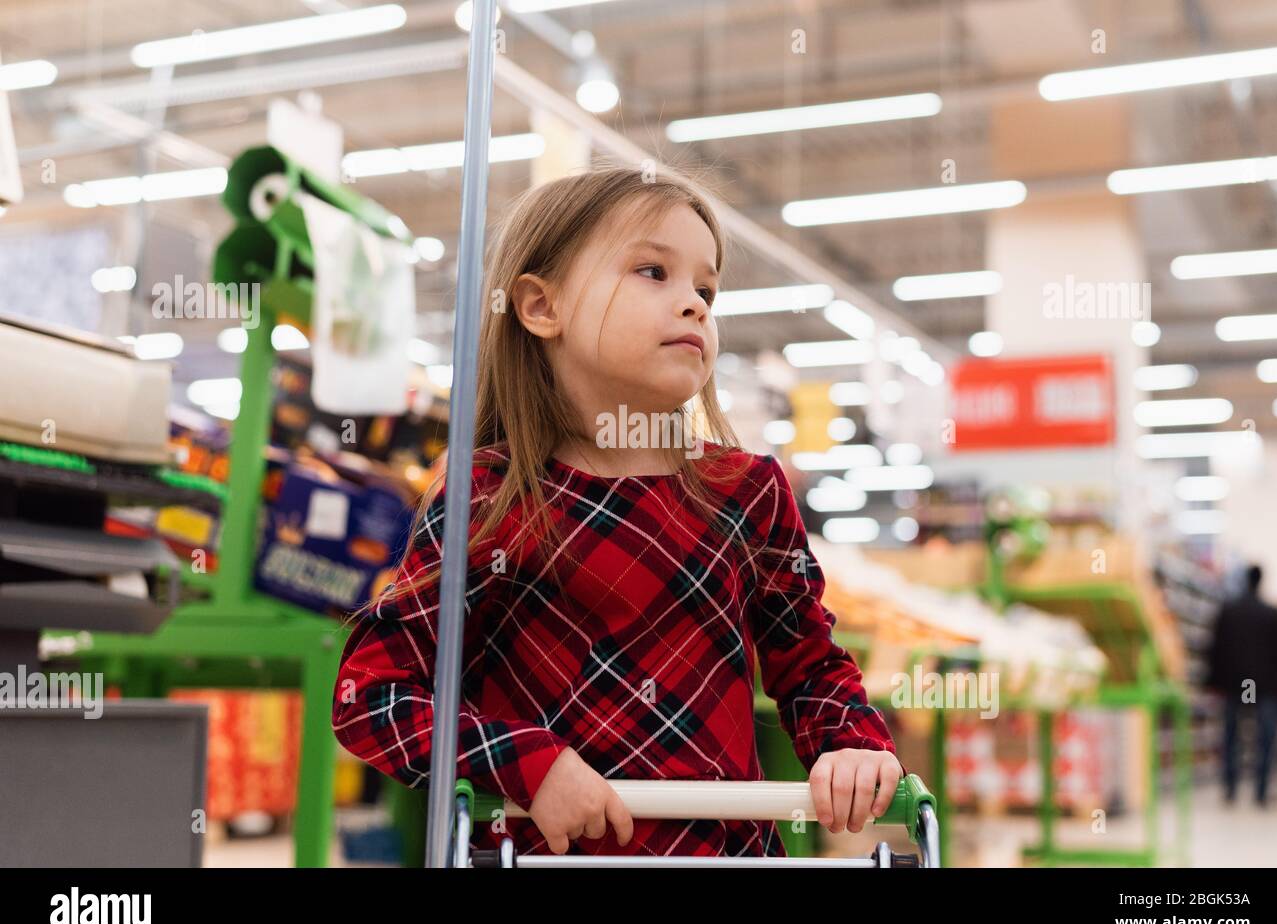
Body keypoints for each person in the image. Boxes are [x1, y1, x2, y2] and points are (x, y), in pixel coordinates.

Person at [331, 166, 901, 857]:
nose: (694, 303)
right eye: (653, 271)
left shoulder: (748, 492)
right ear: (541, 307)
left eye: (707, 288)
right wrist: (526, 761)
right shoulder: (487, 495)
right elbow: (372, 694)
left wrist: (850, 744)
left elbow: (810, 667)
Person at [1206, 564, 1277, 806]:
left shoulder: (1229, 611)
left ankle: (1230, 787)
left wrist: (1213, 682)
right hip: (1265, 687)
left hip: (1236, 685)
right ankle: (1261, 790)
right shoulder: (1273, 614)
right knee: (1265, 738)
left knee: (1230, 736)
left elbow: (1215, 650)